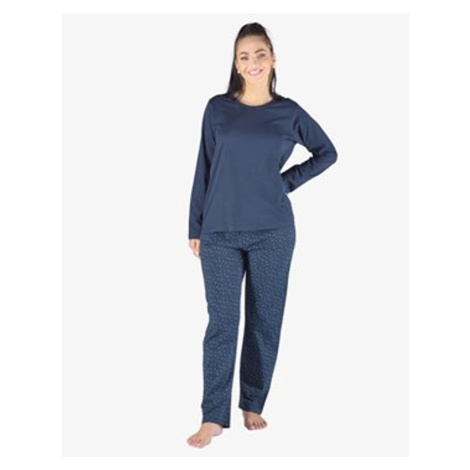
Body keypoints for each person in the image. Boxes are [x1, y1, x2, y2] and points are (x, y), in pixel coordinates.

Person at [186, 22, 338, 448]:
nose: (252, 62)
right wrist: (195, 225)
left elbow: (327, 152)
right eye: (244, 56)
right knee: (222, 323)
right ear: (235, 64)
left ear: (273, 59)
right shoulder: (217, 109)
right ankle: (212, 417)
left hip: (273, 231)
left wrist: (284, 182)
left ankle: (252, 403)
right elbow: (204, 166)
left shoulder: (289, 113)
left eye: (259, 54)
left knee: (264, 321)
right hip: (219, 232)